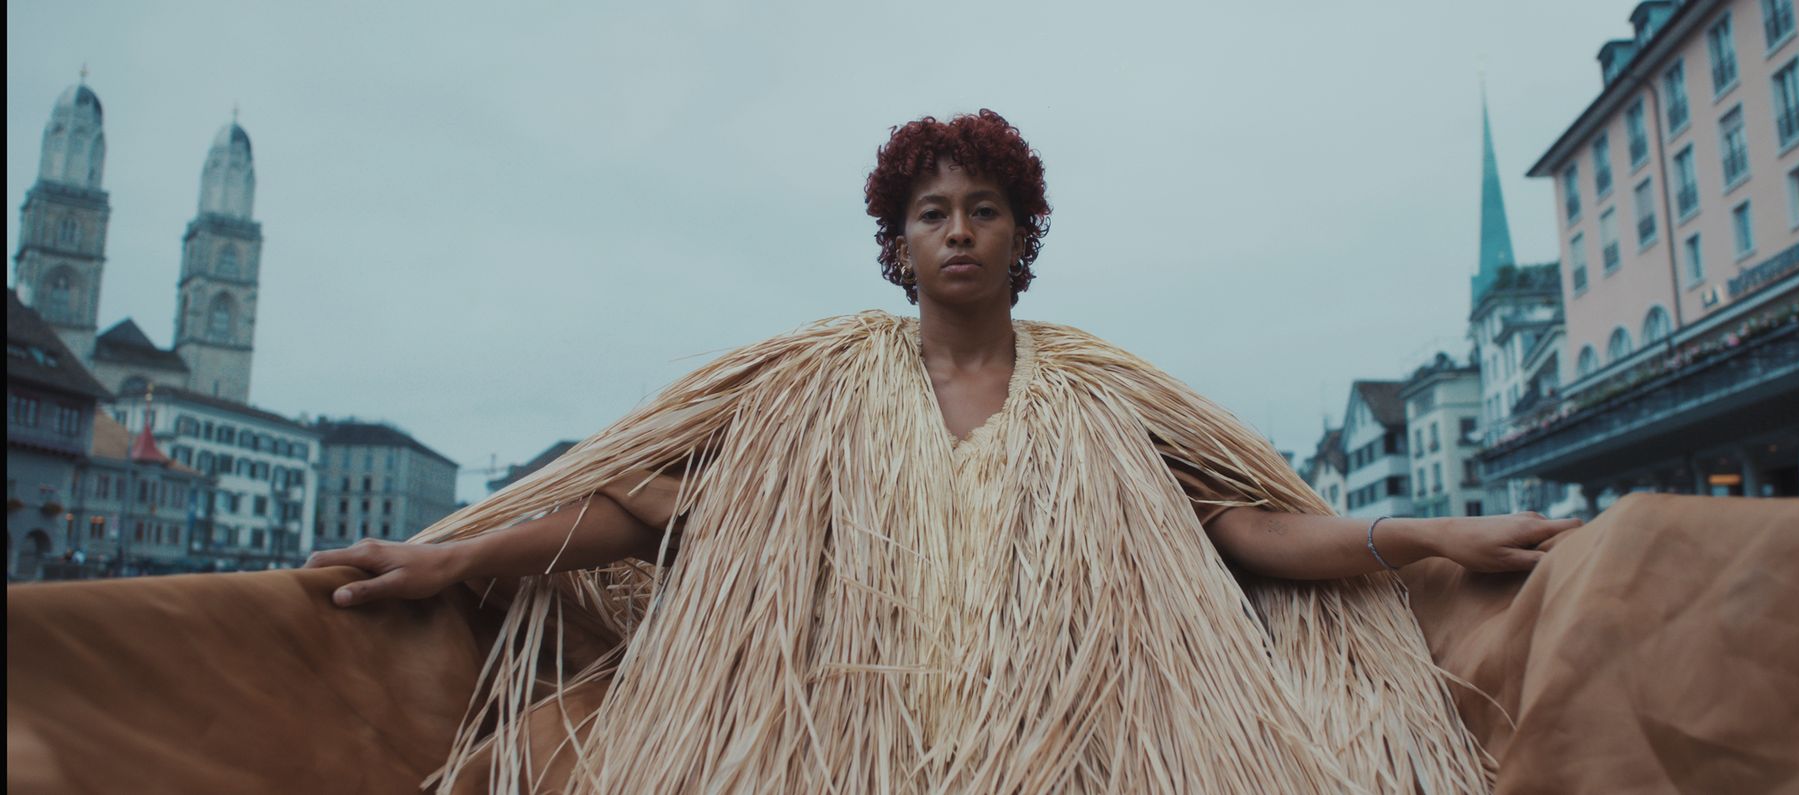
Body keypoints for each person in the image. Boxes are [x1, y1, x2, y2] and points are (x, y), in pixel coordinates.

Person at [307, 109, 1580, 793]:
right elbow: (653, 516)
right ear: (897, 244)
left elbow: (1241, 532)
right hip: (847, 742)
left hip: (1071, 747)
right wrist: (458, 559)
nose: (959, 231)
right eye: (933, 213)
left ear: (1023, 236)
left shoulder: (1097, 403)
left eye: (985, 210)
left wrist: (1426, 535)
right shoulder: (813, 394)